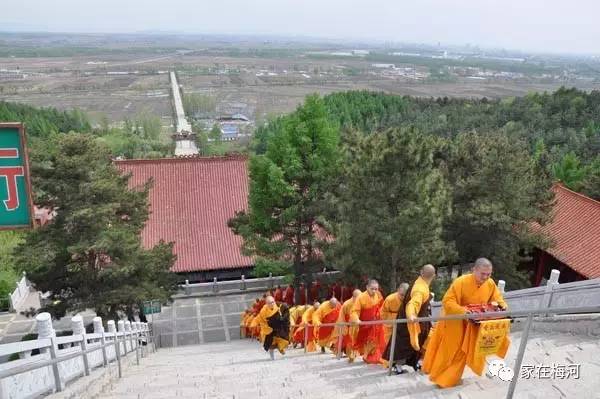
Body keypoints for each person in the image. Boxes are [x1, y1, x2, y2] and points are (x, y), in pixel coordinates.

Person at [422, 258, 509, 388]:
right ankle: (440, 378)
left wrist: (502, 305)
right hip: (455, 323)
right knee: (450, 351)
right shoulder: (461, 282)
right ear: (474, 270)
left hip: (472, 324)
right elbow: (448, 301)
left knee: (463, 352)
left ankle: (450, 379)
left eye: (488, 274)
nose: (485, 277)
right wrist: (464, 311)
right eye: (482, 274)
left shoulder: (490, 283)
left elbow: (497, 298)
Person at [383, 264, 436, 374]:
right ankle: (398, 366)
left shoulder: (420, 284)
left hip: (417, 320)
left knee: (419, 342)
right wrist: (411, 315)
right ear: (434, 276)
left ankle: (414, 362)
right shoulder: (420, 288)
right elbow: (413, 304)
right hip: (409, 321)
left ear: (421, 273)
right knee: (403, 344)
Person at [351, 279, 385, 363]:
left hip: (375, 323)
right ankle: (366, 356)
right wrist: (357, 319)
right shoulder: (361, 297)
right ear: (367, 287)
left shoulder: (378, 295)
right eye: (372, 289)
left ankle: (373, 357)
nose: (374, 291)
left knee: (375, 341)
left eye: (376, 289)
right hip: (364, 324)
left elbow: (381, 307)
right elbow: (354, 311)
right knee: (364, 341)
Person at [335, 289, 362, 362]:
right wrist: (344, 327)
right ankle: (349, 356)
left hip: (357, 324)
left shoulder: (361, 302)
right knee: (349, 341)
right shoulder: (346, 304)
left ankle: (353, 355)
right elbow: (341, 316)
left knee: (355, 340)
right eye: (357, 297)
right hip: (348, 325)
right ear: (353, 296)